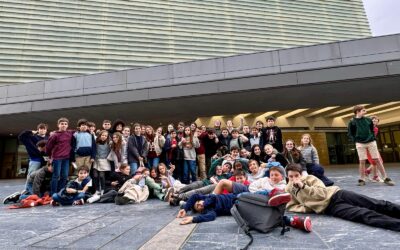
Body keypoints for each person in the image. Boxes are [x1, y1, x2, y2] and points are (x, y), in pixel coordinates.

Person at [285, 163, 400, 232]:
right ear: (287, 176)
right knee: (363, 215)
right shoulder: (288, 189)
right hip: (329, 207)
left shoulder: (310, 179)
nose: (294, 178)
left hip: (338, 193)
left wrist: (304, 186)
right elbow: (290, 205)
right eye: (291, 176)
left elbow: (322, 194)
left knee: (375, 203)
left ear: (300, 175)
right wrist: (308, 207)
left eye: (297, 175)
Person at [347, 105, 394, 186]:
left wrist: (372, 138)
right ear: (357, 112)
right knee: (362, 161)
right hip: (360, 143)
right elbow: (350, 133)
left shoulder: (368, 120)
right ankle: (362, 179)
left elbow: (372, 130)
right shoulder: (352, 122)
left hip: (371, 142)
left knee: (377, 160)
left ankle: (385, 178)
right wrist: (356, 140)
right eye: (364, 110)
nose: (366, 112)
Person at [46, 117, 75, 195]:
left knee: (65, 176)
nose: (64, 125)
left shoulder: (70, 133)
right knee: (56, 176)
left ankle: (61, 192)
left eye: (65, 124)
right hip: (57, 158)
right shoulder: (54, 135)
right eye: (62, 124)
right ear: (58, 125)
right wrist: (50, 159)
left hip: (66, 158)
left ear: (67, 125)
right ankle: (53, 193)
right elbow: (48, 148)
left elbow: (80, 129)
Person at [92, 130, 111, 196]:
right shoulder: (95, 142)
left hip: (104, 161)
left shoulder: (109, 143)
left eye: (106, 136)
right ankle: (97, 190)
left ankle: (103, 189)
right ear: (100, 136)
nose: (104, 137)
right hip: (96, 161)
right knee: (95, 175)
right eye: (103, 135)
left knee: (102, 176)